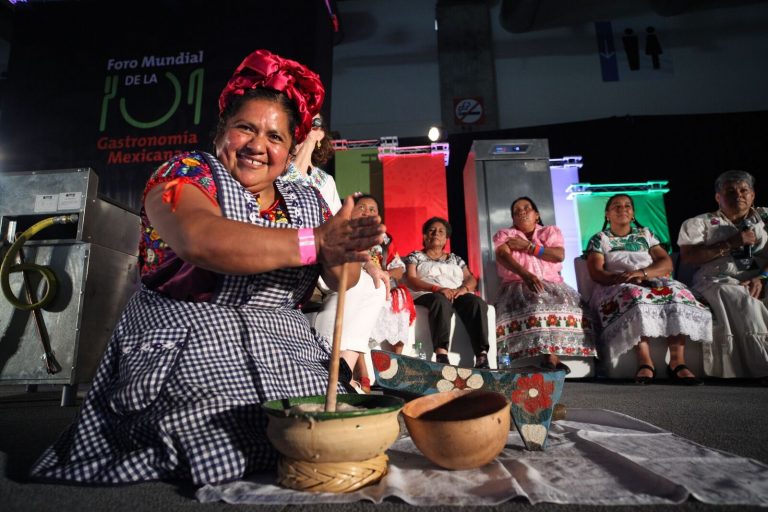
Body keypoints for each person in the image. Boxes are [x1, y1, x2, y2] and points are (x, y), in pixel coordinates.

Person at [29, 49, 385, 485]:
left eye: (275, 136)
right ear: (221, 132)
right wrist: (317, 242)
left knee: (330, 430)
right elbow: (201, 240)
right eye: (245, 128)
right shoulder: (183, 176)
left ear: (291, 148)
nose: (258, 146)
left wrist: (346, 253)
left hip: (282, 347)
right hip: (188, 340)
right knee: (225, 439)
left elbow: (342, 279)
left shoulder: (307, 200)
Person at [586, 194, 712, 384]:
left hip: (650, 278)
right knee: (634, 296)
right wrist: (623, 278)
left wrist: (642, 274)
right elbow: (596, 272)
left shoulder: (646, 234)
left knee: (677, 294)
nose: (622, 209)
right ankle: (645, 362)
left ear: (633, 213)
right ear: (607, 214)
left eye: (627, 206)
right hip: (617, 283)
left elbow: (666, 263)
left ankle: (677, 363)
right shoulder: (599, 239)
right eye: (616, 206)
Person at [677, 170, 768, 381]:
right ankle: (762, 367)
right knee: (741, 297)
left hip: (759, 275)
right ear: (718, 197)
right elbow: (689, 257)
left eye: (744, 190)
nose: (739, 195)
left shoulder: (765, 218)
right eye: (730, 192)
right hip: (716, 278)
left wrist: (762, 277)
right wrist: (731, 243)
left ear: (753, 195)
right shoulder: (700, 223)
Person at [493, 196, 596, 373]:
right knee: (536, 301)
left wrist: (528, 247)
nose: (522, 212)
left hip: (553, 284)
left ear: (537, 215)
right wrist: (526, 275)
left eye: (526, 208)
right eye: (516, 211)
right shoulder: (506, 235)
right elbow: (502, 255)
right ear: (513, 219)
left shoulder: (549, 232)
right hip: (518, 284)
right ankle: (551, 358)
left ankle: (556, 357)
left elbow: (558, 255)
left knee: (573, 305)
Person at [313, 195, 391, 392]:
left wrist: (371, 266)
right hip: (323, 265)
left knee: (377, 286)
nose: (366, 212)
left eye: (372, 210)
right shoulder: (340, 224)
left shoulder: (379, 240)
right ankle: (326, 361)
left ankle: (344, 371)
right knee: (354, 283)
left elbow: (395, 267)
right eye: (361, 207)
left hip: (355, 273)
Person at [404, 217, 490, 368]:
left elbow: (470, 279)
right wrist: (437, 289)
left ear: (446, 239)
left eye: (441, 231)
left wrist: (463, 289)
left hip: (455, 292)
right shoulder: (415, 256)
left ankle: (482, 356)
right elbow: (411, 279)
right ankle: (442, 355)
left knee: (477, 303)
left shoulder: (455, 259)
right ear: (425, 236)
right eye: (431, 231)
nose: (436, 234)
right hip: (427, 293)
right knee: (440, 301)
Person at [281, 112, 341, 213]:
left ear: (320, 134)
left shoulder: (327, 182)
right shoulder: (274, 169)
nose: (305, 127)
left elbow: (336, 220)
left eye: (313, 123)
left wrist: (310, 140)